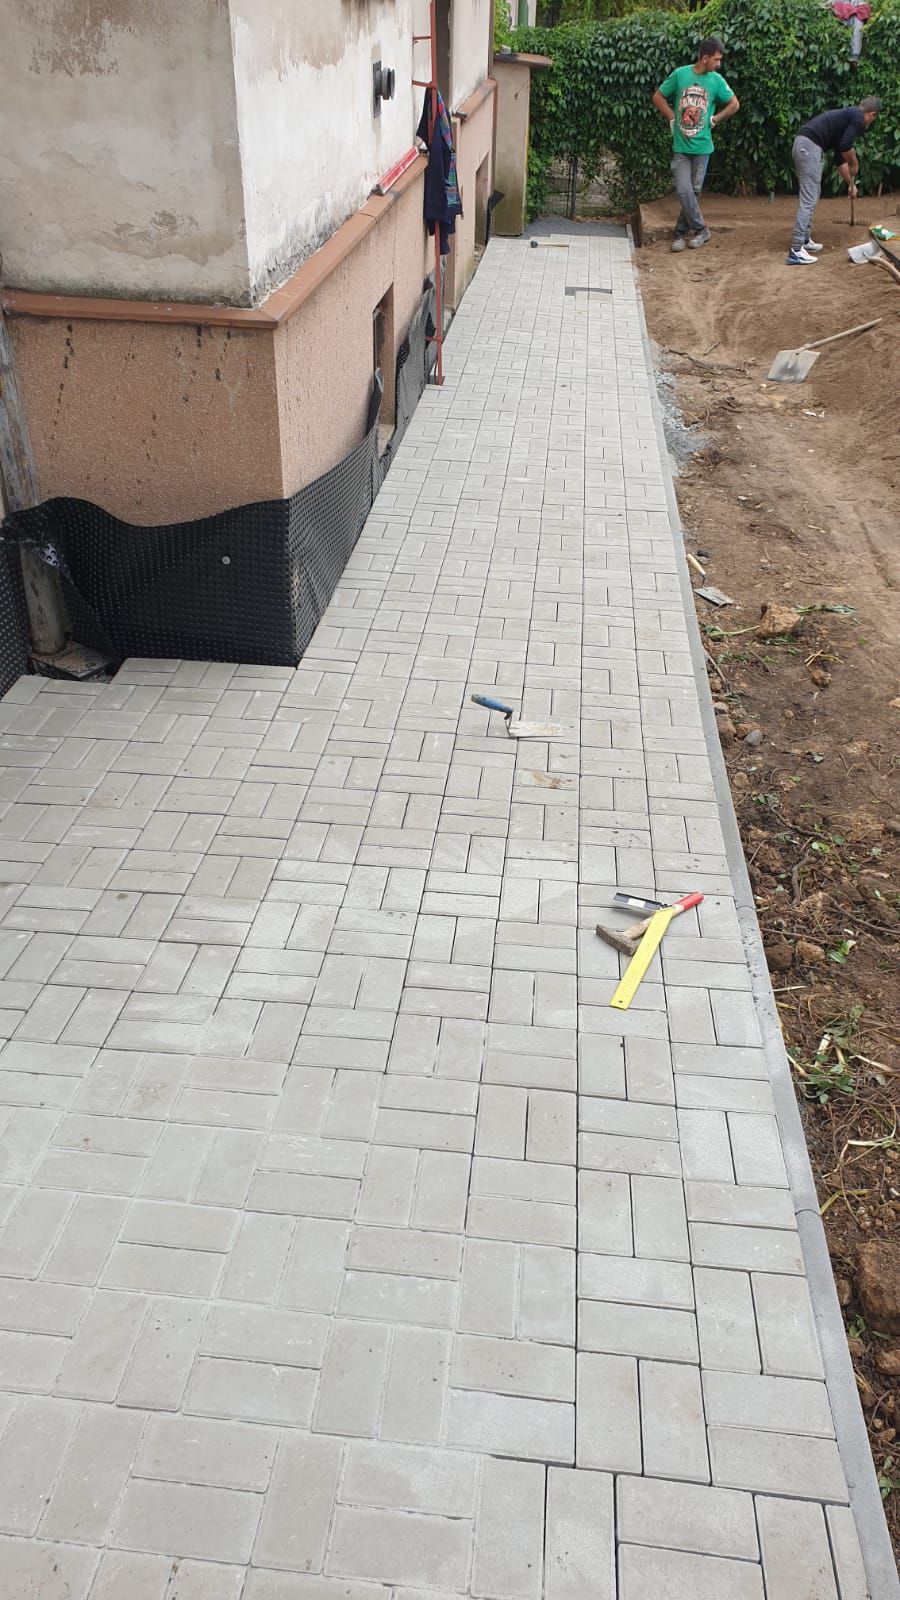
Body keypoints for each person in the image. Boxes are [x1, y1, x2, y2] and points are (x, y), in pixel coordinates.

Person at [652, 38, 740, 253]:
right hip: (681, 147)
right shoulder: (680, 75)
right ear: (705, 58)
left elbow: (734, 104)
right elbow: (658, 97)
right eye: (716, 60)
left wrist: (715, 119)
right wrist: (672, 117)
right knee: (684, 190)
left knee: (694, 191)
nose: (719, 64)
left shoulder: (716, 81)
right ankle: (702, 229)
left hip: (702, 148)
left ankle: (680, 232)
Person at [787, 97, 882, 265]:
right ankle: (796, 250)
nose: (869, 123)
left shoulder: (848, 118)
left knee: (813, 194)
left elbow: (840, 157)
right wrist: (854, 162)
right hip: (809, 147)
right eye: (873, 119)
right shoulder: (858, 117)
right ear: (872, 114)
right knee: (809, 198)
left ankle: (804, 240)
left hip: (806, 145)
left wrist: (851, 185)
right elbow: (846, 146)